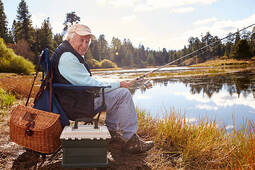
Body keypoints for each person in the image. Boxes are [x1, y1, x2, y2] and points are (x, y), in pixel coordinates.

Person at [51, 23, 154, 154]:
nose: (84, 45)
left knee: (117, 92)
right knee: (122, 94)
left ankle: (111, 132)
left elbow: (85, 81)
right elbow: (91, 85)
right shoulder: (67, 58)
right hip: (76, 105)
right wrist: (118, 83)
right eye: (81, 40)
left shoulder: (67, 52)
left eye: (87, 42)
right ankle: (131, 141)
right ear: (70, 38)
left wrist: (115, 84)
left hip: (74, 100)